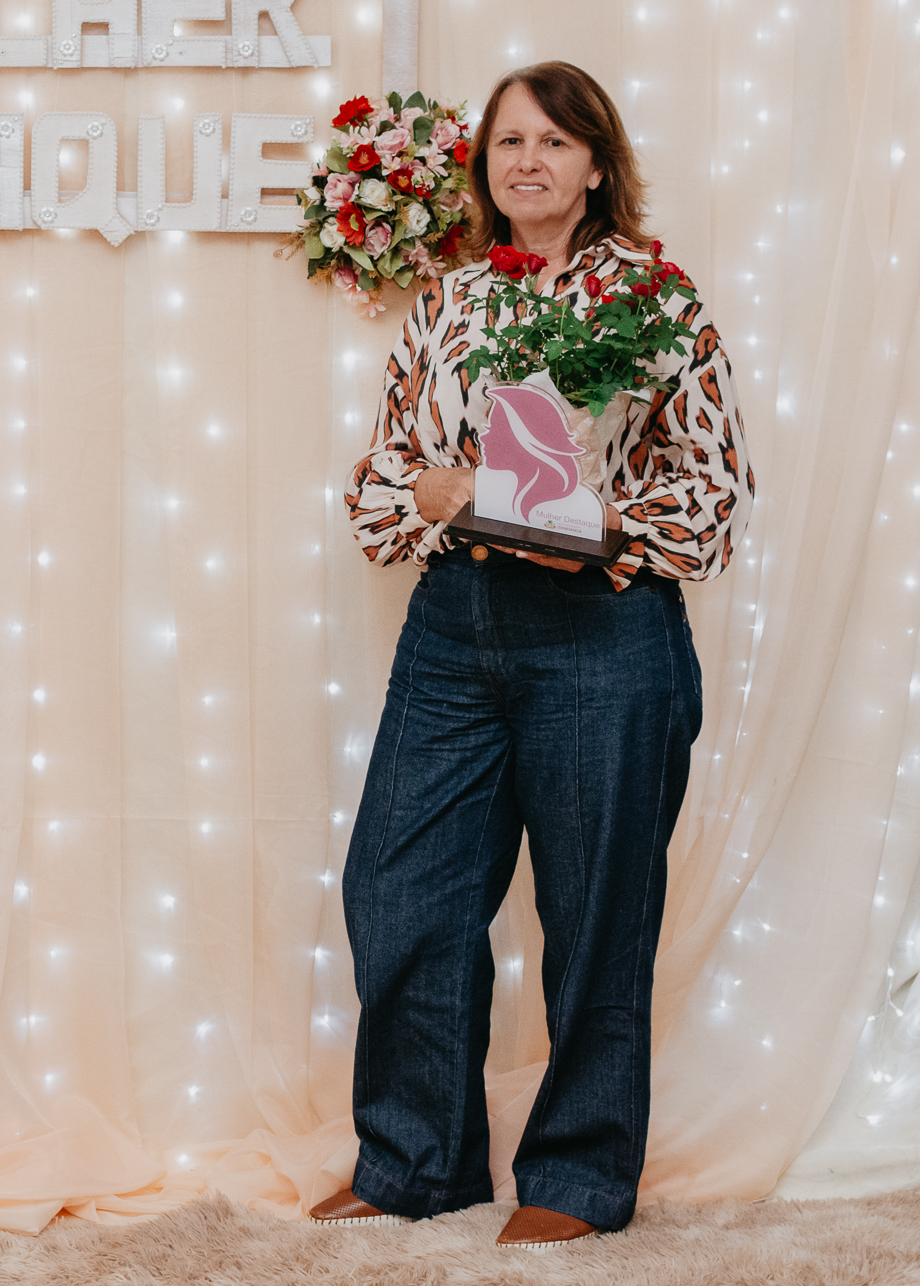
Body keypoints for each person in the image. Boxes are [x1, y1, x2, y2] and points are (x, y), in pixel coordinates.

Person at [309, 62, 754, 1246]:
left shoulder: (655, 299)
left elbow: (711, 492)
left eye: (554, 142)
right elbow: (381, 476)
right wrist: (436, 490)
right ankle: (414, 1163)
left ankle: (576, 1177)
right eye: (508, 142)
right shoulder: (447, 300)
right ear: (484, 166)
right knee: (398, 890)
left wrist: (591, 526)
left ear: (596, 165)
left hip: (601, 632)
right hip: (453, 628)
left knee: (596, 908)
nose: (527, 162)